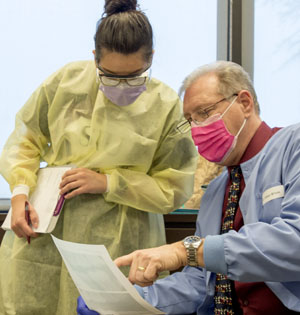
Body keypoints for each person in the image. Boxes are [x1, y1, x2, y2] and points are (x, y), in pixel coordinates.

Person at [0, 1, 198, 314]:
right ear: (95, 58)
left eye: (134, 77)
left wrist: (110, 182)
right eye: (109, 75)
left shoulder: (165, 105)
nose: (121, 87)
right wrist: (20, 192)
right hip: (47, 230)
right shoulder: (66, 83)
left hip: (123, 239)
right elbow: (24, 138)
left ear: (151, 60)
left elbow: (174, 186)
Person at [78, 61, 300, 314]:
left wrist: (187, 249)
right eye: (189, 121)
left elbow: (294, 242)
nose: (197, 129)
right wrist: (133, 300)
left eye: (204, 113)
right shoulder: (217, 190)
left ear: (245, 102)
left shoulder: (293, 146)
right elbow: (201, 283)